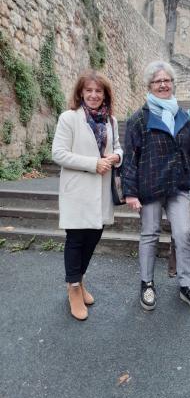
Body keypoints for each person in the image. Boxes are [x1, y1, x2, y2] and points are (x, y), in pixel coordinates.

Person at [121, 61, 190, 313]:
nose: (162, 84)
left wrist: (188, 177)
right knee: (150, 234)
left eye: (166, 80)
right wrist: (130, 191)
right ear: (149, 86)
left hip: (177, 185)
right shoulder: (139, 118)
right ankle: (147, 283)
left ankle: (186, 286)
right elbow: (130, 156)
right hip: (149, 185)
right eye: (157, 81)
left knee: (183, 233)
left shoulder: (183, 116)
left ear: (172, 84)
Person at [52, 70, 123, 321]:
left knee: (94, 236)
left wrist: (118, 156)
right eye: (89, 90)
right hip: (78, 189)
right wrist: (93, 163)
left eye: (98, 91)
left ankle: (79, 281)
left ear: (105, 95)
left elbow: (116, 147)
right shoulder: (69, 118)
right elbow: (58, 154)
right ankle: (73, 289)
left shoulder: (111, 121)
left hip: (101, 191)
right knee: (76, 239)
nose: (94, 95)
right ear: (81, 92)